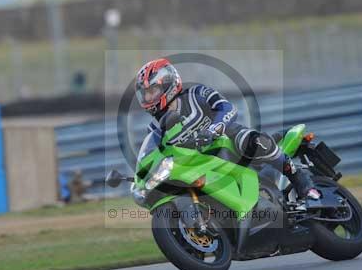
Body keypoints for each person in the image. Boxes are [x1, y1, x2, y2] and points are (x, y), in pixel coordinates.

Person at [134, 58, 321, 209]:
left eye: (153, 91)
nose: (149, 98)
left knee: (253, 141)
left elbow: (228, 109)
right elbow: (154, 155)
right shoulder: (156, 130)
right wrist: (141, 177)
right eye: (146, 94)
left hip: (226, 141)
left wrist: (212, 130)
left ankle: (301, 181)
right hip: (199, 163)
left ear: (168, 83)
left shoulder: (197, 94)